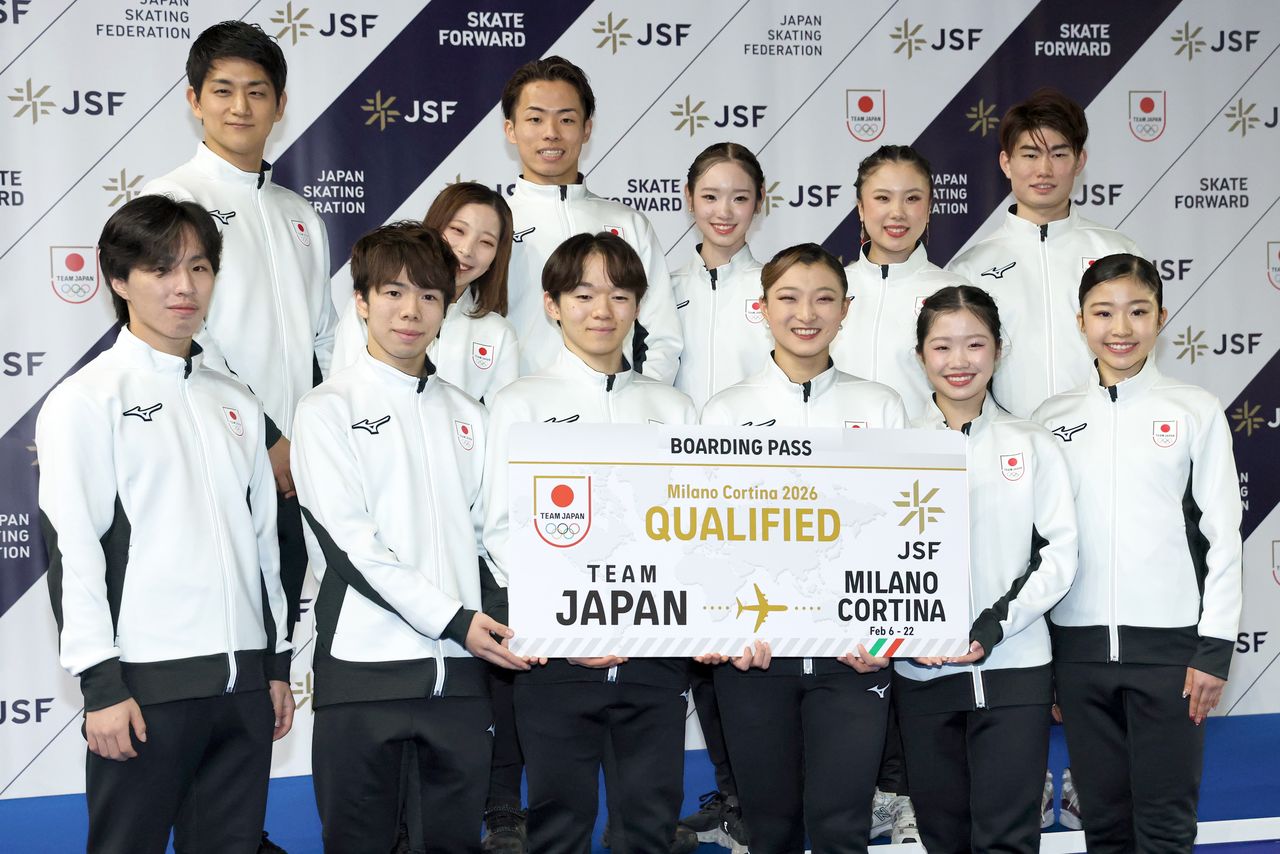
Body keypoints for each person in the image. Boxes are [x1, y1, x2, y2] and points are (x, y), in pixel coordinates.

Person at [36, 194, 294, 854]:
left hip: (241, 688)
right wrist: (101, 687)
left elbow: (266, 545)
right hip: (145, 692)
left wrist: (274, 665)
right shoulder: (85, 400)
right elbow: (75, 552)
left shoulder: (235, 399)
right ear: (118, 280)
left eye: (200, 267)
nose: (184, 286)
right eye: (160, 268)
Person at [290, 222, 528, 852]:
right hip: (362, 676)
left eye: (429, 295)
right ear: (362, 301)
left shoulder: (468, 414)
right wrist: (454, 619)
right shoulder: (325, 409)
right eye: (393, 292)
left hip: (460, 680)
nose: (411, 310)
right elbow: (349, 547)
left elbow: (495, 541)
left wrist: (538, 619)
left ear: (447, 307)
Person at [483, 232, 698, 854]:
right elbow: (500, 529)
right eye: (582, 295)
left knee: (649, 826)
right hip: (556, 659)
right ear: (551, 305)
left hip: (655, 657)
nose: (602, 310)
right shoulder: (520, 402)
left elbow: (690, 537)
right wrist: (567, 628)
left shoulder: (673, 408)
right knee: (559, 826)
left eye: (620, 295)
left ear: (638, 306)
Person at [698, 243, 908, 854]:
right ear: (762, 307)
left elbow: (901, 541)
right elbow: (709, 539)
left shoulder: (881, 406)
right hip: (755, 661)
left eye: (824, 298)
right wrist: (722, 630)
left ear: (847, 309)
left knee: (842, 830)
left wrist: (880, 643)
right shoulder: (726, 412)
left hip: (853, 662)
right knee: (771, 830)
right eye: (788, 298)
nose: (806, 313)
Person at [1034, 254, 1242, 853]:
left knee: (1166, 824)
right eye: (1103, 312)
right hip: (1078, 657)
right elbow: (1041, 545)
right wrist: (1048, 662)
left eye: (1137, 311)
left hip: (1172, 657)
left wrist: (1213, 650)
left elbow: (1222, 538)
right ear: (1080, 322)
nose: (1120, 327)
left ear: (1161, 318)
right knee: (1104, 823)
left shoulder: (1194, 410)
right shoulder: (1052, 418)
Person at [142, 20, 338, 642]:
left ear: (280, 106)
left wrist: (326, 437)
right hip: (213, 452)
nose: (240, 106)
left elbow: (326, 340)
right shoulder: (170, 197)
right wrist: (270, 435)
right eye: (222, 90)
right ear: (195, 100)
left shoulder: (297, 213)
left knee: (278, 641)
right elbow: (183, 333)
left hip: (296, 467)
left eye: (257, 91)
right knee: (219, 628)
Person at [894, 285, 1078, 853]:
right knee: (944, 837)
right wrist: (896, 637)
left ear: (999, 350)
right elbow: (867, 565)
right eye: (943, 346)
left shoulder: (1033, 442)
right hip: (923, 674)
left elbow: (1058, 553)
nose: (959, 361)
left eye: (975, 344)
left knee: (1008, 838)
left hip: (1015, 668)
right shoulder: (894, 448)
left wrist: (993, 626)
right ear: (920, 354)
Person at [947, 88, 1139, 419]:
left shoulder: (1118, 252)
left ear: (1080, 161)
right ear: (1006, 162)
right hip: (1010, 449)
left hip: (1105, 438)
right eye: (1031, 155)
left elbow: (1142, 356)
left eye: (1059, 154)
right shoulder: (970, 267)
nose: (1044, 170)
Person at [501, 56, 682, 381]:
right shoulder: (489, 228)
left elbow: (661, 336)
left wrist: (642, 401)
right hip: (522, 417)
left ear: (587, 129)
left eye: (566, 120)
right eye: (535, 119)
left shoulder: (629, 224)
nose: (551, 134)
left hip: (616, 420)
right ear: (511, 130)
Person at [333, 182, 520, 405]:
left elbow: (499, 427)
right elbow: (341, 392)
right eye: (458, 230)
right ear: (434, 228)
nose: (466, 249)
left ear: (496, 258)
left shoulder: (498, 333)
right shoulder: (375, 305)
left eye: (486, 242)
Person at [832, 144, 970, 421]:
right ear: (860, 208)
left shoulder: (956, 293)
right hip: (835, 457)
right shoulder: (830, 290)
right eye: (882, 198)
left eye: (912, 198)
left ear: (929, 207)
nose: (897, 212)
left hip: (924, 458)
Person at [671, 141, 771, 412]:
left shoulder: (779, 290)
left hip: (759, 447)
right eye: (710, 197)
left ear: (760, 199)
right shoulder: (663, 291)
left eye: (739, 198)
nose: (724, 212)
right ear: (689, 198)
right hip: (676, 448)